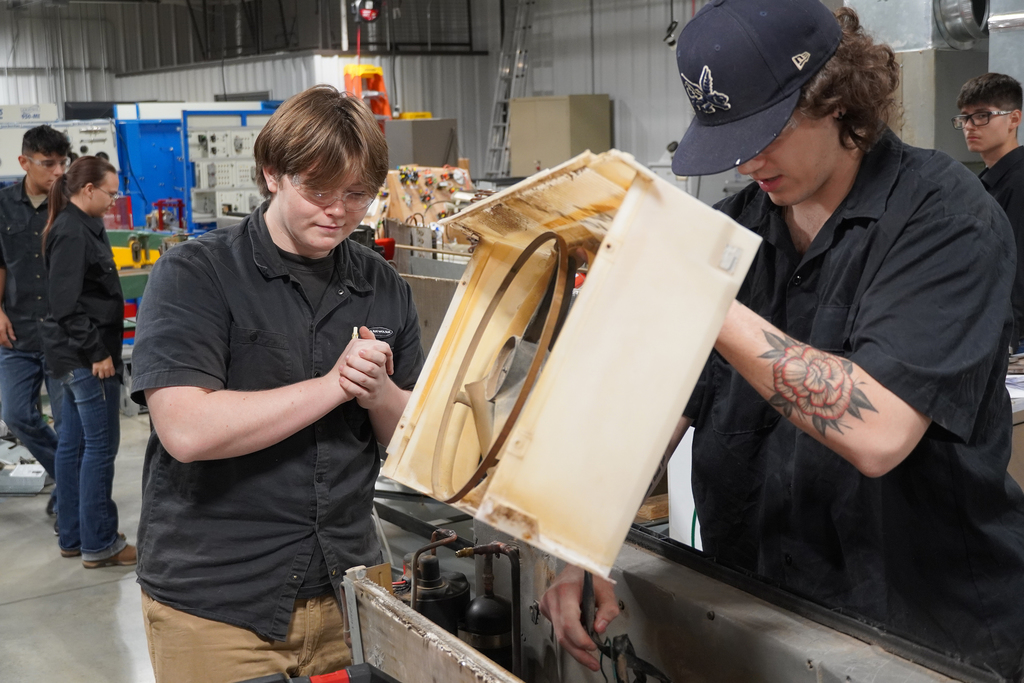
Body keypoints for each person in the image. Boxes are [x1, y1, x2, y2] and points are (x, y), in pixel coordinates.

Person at [541, 1, 1024, 679]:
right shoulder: (731, 233)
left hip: (929, 640)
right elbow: (649, 418)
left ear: (838, 97)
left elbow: (878, 429)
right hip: (762, 616)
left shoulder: (948, 220)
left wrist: (703, 294)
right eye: (730, 136)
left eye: (767, 130)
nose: (748, 158)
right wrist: (579, 548)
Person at [130, 85, 424, 683]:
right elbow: (186, 429)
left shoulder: (382, 286)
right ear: (272, 174)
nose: (337, 212)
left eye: (357, 195)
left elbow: (412, 440)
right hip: (218, 603)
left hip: (348, 591)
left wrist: (381, 394)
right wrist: (336, 385)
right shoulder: (196, 274)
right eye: (317, 191)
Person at [41, 155, 134, 568]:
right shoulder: (72, 232)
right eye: (110, 193)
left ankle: (74, 536)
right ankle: (100, 543)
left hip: (76, 354)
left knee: (75, 446)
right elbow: (64, 304)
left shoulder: (79, 226)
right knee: (99, 448)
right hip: (85, 357)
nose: (114, 201)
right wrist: (97, 352)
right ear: (88, 189)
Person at [0, 125, 70, 516]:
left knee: (68, 423)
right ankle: (68, 477)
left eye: (62, 162)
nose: (57, 171)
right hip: (17, 333)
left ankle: (68, 501)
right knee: (17, 414)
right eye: (48, 164)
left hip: (61, 335)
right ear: (24, 162)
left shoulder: (71, 205)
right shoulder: (2, 205)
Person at [956, 73, 1024, 350]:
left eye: (982, 116)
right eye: (965, 117)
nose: (970, 126)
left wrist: (1009, 338)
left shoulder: (1019, 182)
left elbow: (1018, 266)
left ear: (1014, 119)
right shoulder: (985, 182)